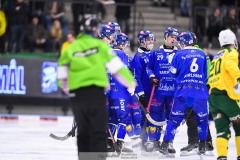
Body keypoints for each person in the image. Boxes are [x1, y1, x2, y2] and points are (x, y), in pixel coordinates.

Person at [57, 17, 136, 159]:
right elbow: (117, 68)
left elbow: (62, 74)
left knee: (83, 132)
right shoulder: (101, 47)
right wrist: (130, 82)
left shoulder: (71, 47)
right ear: (96, 31)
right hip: (95, 93)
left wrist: (68, 90)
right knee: (99, 131)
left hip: (77, 95)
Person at [159, 32, 209, 157]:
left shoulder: (179, 54)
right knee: (202, 120)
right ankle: (202, 146)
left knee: (174, 120)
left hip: (183, 92)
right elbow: (205, 75)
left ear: (182, 43)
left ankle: (164, 145)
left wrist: (171, 63)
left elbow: (171, 74)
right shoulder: (202, 54)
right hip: (199, 92)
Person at [180, 32, 214, 156]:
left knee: (191, 116)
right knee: (201, 116)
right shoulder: (202, 53)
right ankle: (207, 143)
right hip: (201, 88)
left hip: (193, 89)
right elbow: (209, 72)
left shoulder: (190, 54)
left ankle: (194, 142)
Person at [146, 27, 179, 156]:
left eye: (175, 37)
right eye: (172, 36)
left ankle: (170, 142)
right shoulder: (156, 53)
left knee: (172, 117)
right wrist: (152, 77)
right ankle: (154, 140)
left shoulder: (179, 53)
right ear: (165, 37)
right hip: (158, 92)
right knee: (155, 116)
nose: (174, 39)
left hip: (173, 93)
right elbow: (149, 68)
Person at [208, 29, 240, 160]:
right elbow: (231, 66)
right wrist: (238, 78)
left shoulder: (216, 56)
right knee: (239, 126)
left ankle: (222, 157)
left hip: (214, 99)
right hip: (226, 97)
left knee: (222, 130)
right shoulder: (231, 52)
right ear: (233, 41)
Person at [131, 30, 156, 154]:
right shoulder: (138, 57)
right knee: (143, 116)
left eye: (152, 39)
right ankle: (143, 139)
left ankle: (154, 139)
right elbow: (136, 77)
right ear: (142, 41)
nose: (151, 42)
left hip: (153, 91)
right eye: (148, 39)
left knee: (154, 115)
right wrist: (140, 93)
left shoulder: (153, 54)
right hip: (144, 93)